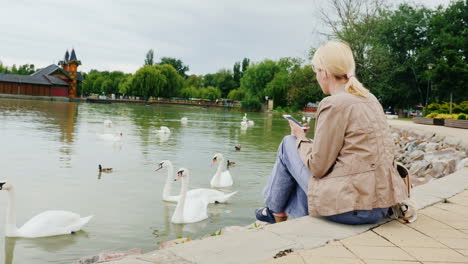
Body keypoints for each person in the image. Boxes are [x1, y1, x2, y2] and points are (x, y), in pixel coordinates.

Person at [256, 41, 408, 225]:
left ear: (324, 72)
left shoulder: (333, 104)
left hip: (352, 209)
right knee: (301, 149)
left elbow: (318, 167)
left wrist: (300, 138)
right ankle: (292, 215)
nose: (317, 78)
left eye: (316, 72)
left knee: (288, 144)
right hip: (381, 205)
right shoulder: (370, 98)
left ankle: (275, 212)